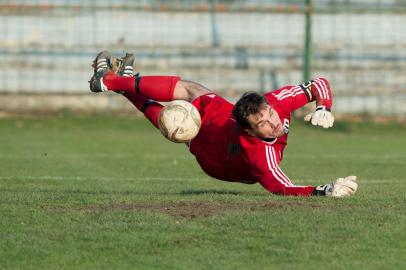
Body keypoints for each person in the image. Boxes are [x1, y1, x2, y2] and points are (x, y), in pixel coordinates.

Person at [89, 51, 358, 197]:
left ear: (269, 105)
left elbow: (318, 84)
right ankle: (115, 82)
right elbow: (282, 187)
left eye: (269, 115)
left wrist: (324, 107)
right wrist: (326, 191)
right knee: (186, 105)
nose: (272, 122)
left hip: (219, 161)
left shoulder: (274, 107)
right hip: (222, 135)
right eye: (262, 123)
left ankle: (122, 84)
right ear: (249, 129)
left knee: (184, 108)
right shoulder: (260, 152)